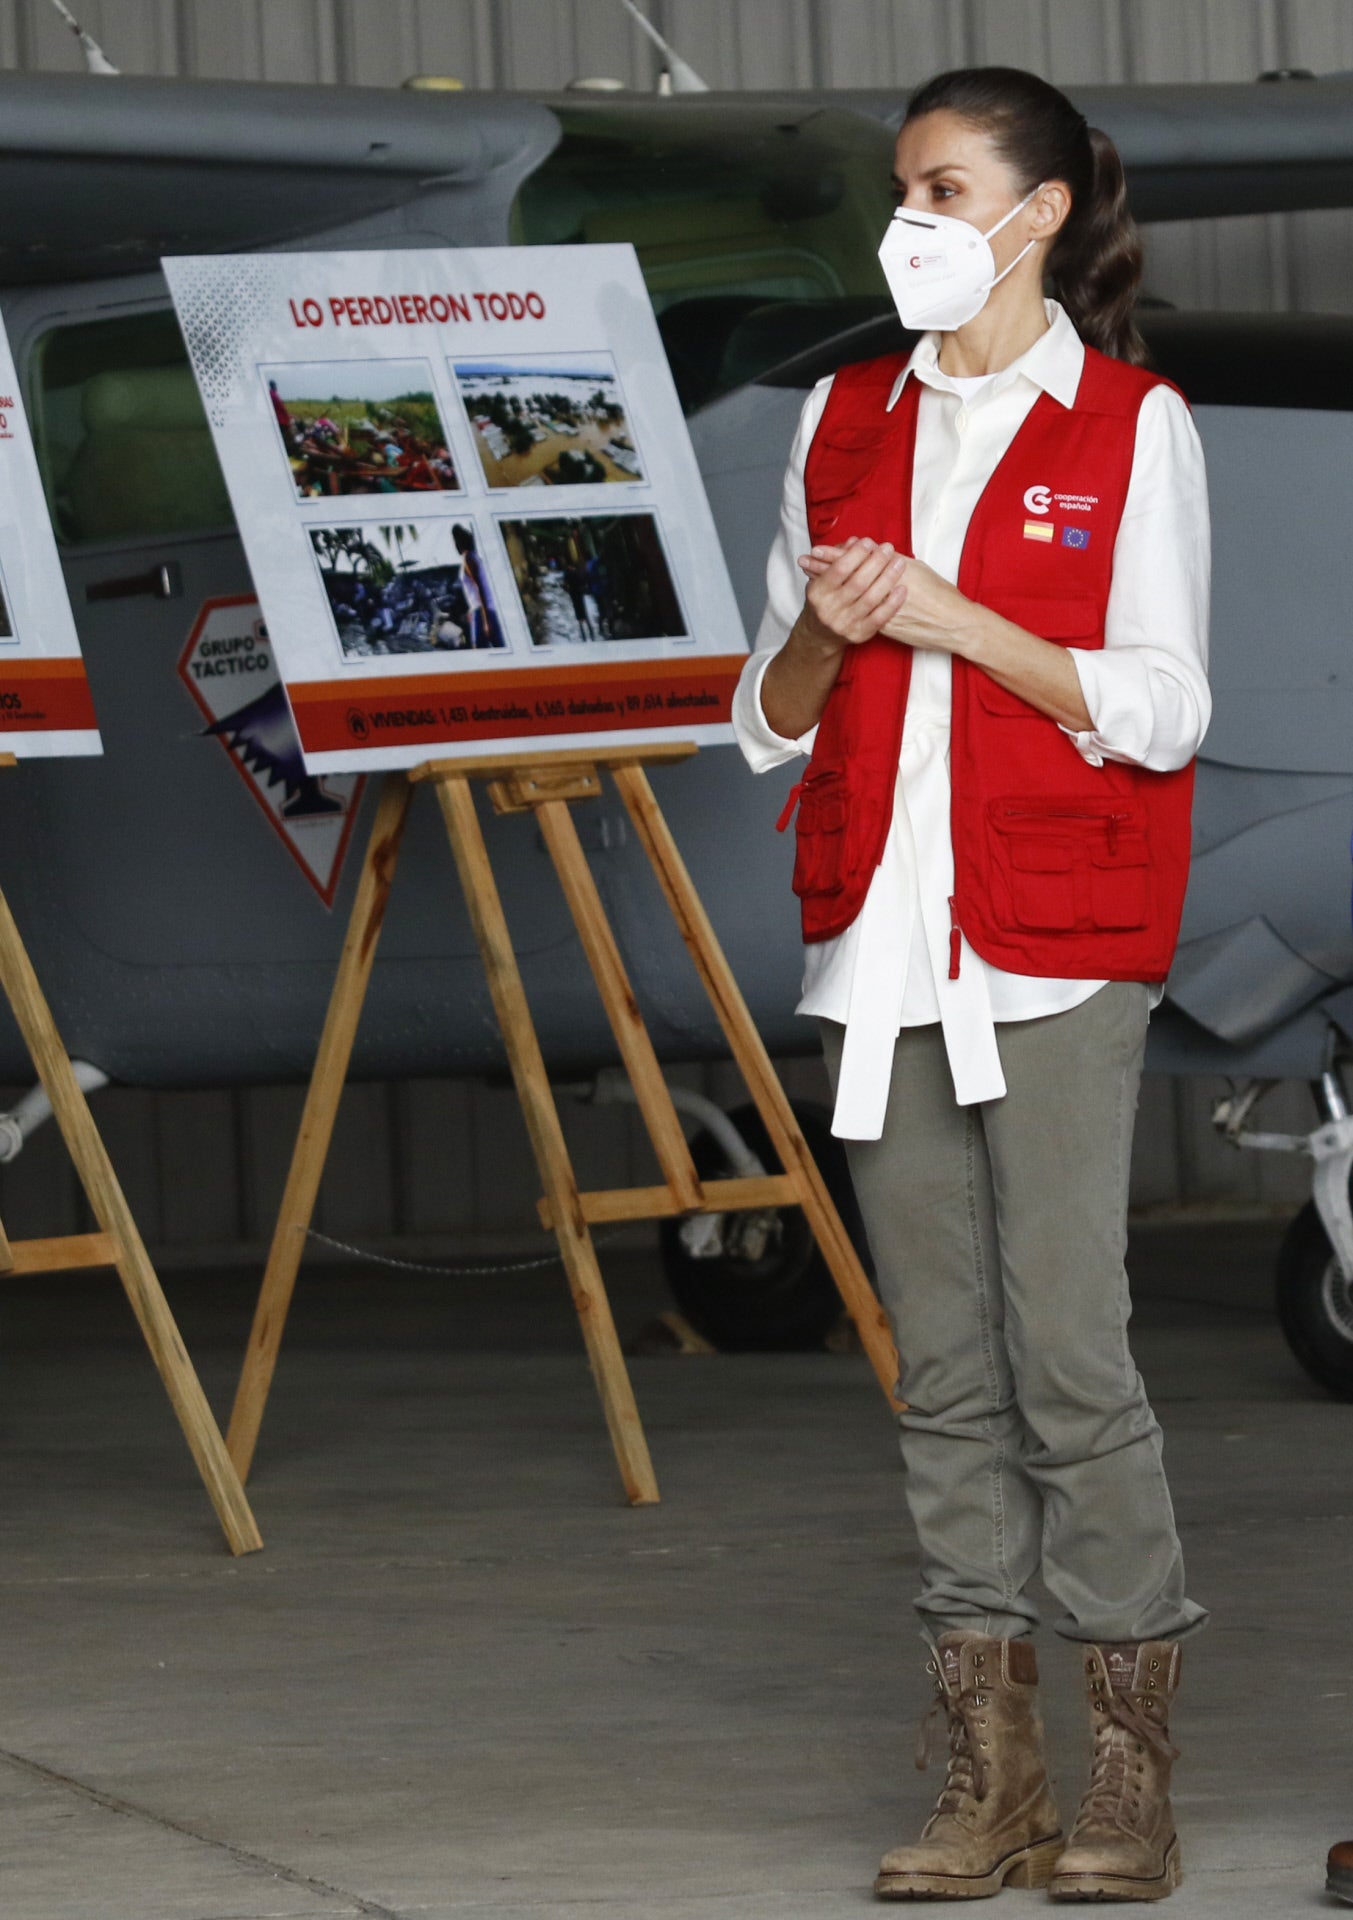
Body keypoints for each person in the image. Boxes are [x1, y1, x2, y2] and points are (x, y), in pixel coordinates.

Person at [732, 66, 1210, 1904]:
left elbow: (1165, 709)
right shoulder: (842, 418)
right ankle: (984, 1778)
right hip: (880, 956)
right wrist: (821, 628)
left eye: (940, 188)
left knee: (1069, 1366)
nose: (907, 220)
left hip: (1052, 955)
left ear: (1035, 213)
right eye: (899, 188)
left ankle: (1128, 1786)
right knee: (942, 1382)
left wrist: (963, 622)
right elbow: (763, 726)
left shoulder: (1125, 426)